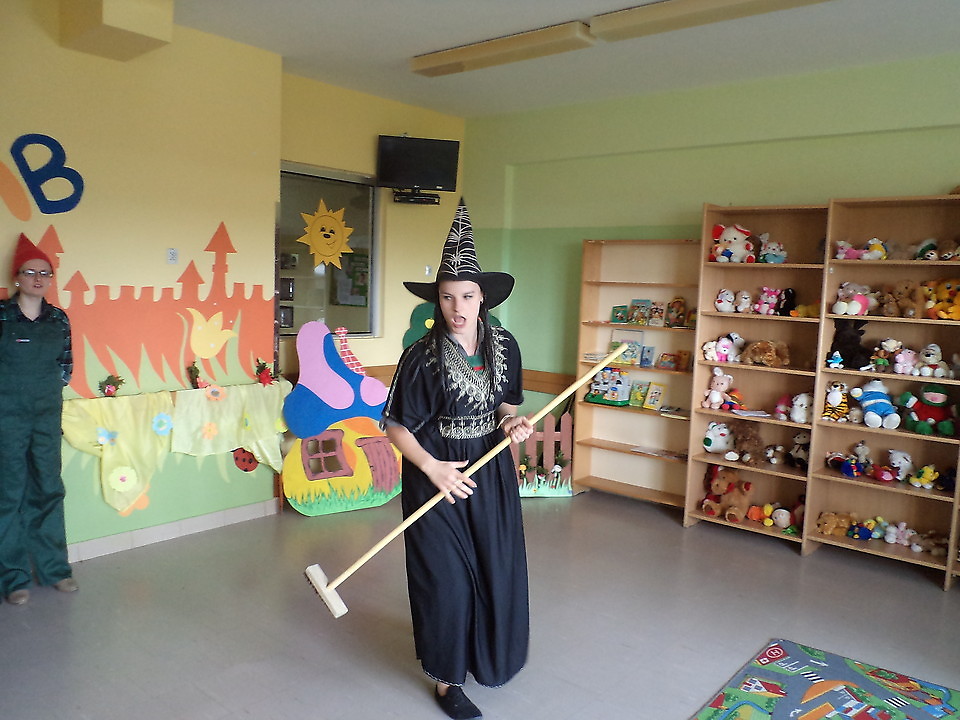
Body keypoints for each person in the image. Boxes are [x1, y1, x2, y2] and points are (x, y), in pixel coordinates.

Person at [382, 201, 533, 720]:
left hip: (490, 473)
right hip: (436, 476)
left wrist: (511, 422)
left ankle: (488, 655)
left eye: (466, 295)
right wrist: (432, 469)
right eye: (447, 296)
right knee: (444, 581)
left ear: (483, 296)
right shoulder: (421, 357)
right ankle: (448, 682)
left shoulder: (505, 345)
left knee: (495, 568)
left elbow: (506, 402)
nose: (456, 307)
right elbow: (395, 426)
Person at [0, 234, 77, 606]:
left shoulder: (59, 319)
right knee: (8, 493)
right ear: (17, 276)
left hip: (46, 416)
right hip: (6, 419)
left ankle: (55, 570)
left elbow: (65, 367)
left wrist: (42, 394)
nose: (38, 278)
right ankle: (14, 578)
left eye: (45, 273)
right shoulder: (2, 315)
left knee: (49, 489)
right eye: (30, 272)